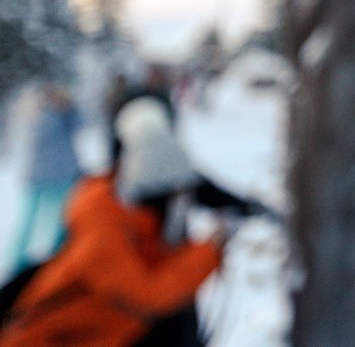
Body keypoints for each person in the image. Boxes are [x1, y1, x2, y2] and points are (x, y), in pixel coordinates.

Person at [0, 97, 227, 347]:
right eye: (176, 196)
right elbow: (148, 294)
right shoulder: (104, 232)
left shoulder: (127, 210)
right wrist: (206, 253)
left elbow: (156, 267)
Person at [8, 85, 82, 274]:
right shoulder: (40, 114)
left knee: (63, 221)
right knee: (37, 221)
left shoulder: (63, 113)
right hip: (49, 175)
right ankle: (18, 264)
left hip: (60, 174)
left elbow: (81, 125)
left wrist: (68, 108)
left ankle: (59, 259)